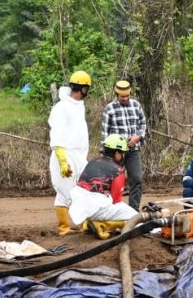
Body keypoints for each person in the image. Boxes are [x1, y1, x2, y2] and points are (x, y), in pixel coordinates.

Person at [68, 134, 139, 239]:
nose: (123, 156)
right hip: (96, 208)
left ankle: (88, 223)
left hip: (76, 206)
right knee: (135, 218)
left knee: (103, 202)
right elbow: (116, 200)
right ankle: (103, 225)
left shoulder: (91, 162)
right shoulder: (118, 170)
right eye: (122, 152)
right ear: (117, 152)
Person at [48, 70, 91, 236]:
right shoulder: (61, 107)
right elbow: (57, 135)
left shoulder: (79, 106)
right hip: (65, 156)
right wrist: (62, 161)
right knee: (65, 192)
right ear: (83, 89)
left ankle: (83, 225)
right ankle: (64, 228)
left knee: (83, 191)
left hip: (80, 156)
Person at [101, 80, 147, 211]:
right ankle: (113, 210)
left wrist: (138, 136)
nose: (126, 98)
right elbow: (105, 132)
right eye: (123, 97)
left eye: (128, 96)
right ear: (116, 94)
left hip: (133, 150)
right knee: (114, 181)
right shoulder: (109, 109)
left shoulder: (136, 105)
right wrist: (105, 153)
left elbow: (143, 124)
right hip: (116, 153)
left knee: (137, 179)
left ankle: (133, 211)